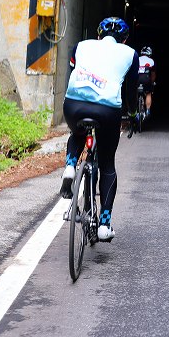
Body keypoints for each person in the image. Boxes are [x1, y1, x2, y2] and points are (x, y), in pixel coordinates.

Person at [59, 16, 138, 241]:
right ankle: (104, 224)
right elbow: (131, 92)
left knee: (78, 133)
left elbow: (71, 74)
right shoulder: (129, 54)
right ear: (124, 39)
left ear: (98, 35)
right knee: (107, 164)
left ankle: (71, 166)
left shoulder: (81, 46)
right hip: (107, 110)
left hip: (74, 102)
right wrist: (131, 114)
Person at [136, 45, 156, 120]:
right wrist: (152, 82)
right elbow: (153, 74)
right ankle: (148, 110)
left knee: (134, 93)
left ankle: (134, 111)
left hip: (136, 79)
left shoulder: (136, 58)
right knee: (148, 93)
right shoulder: (151, 61)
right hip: (146, 79)